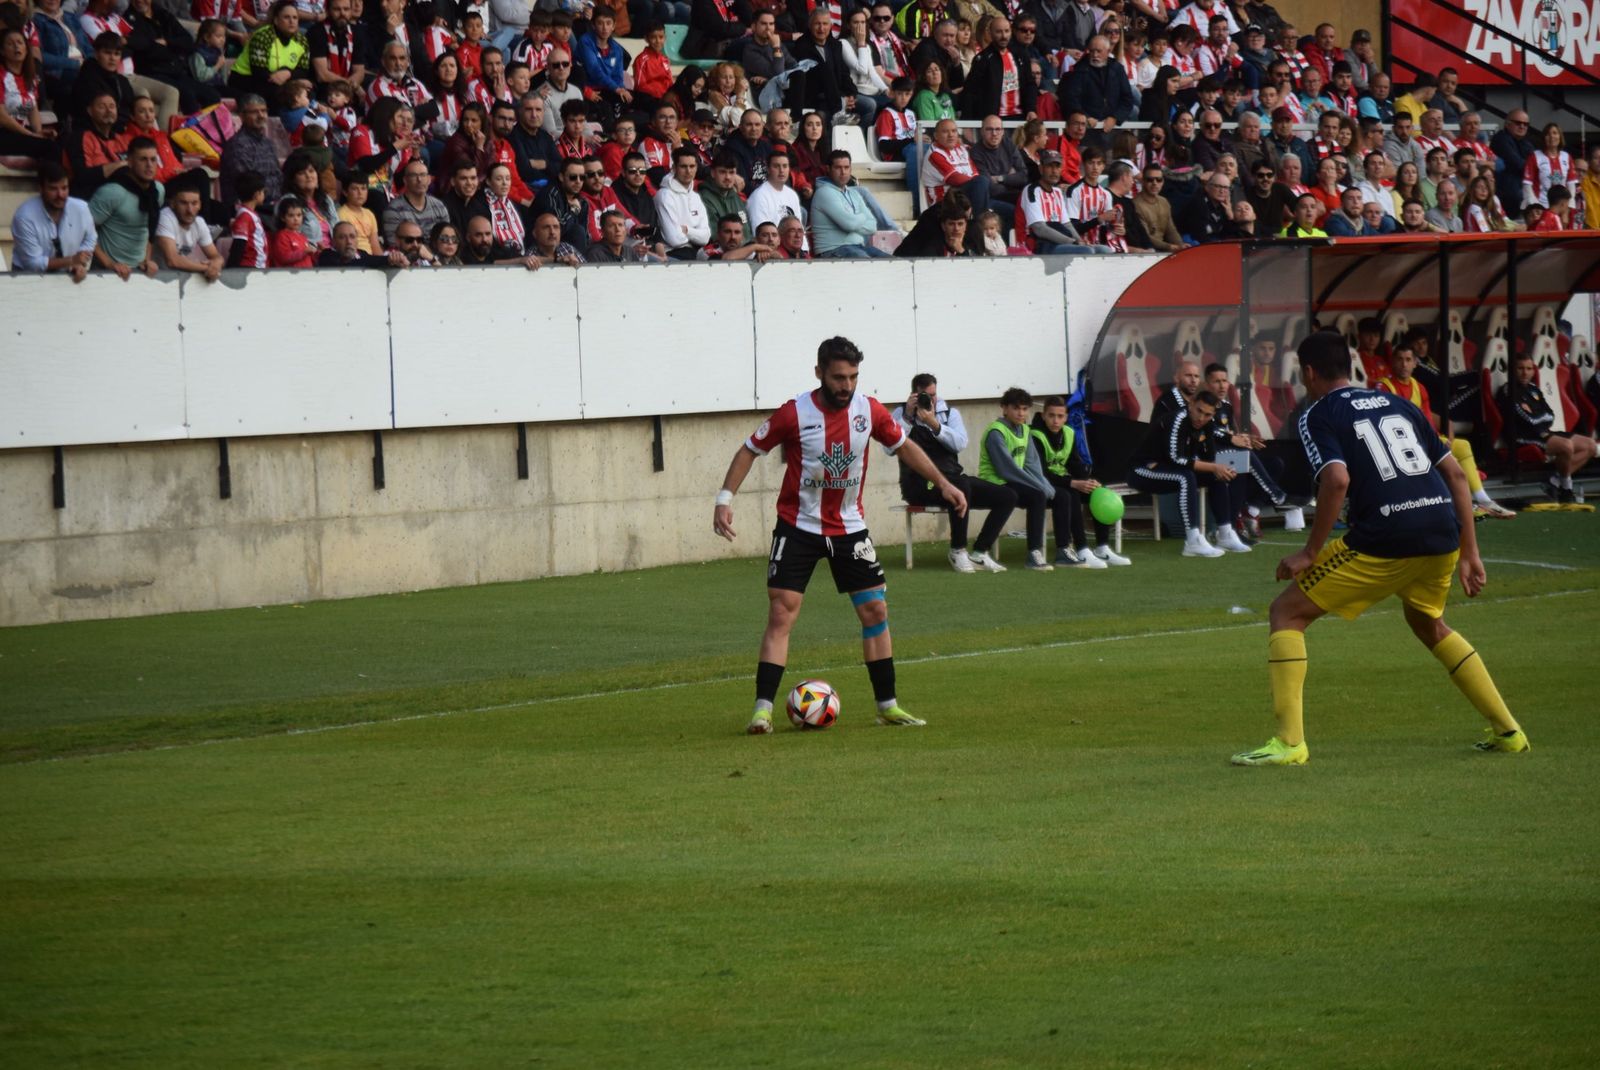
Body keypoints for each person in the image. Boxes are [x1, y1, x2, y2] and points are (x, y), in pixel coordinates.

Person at [1231, 330, 1529, 766]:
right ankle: (1509, 731)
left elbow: (1336, 480)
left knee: (1287, 612)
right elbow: (1458, 477)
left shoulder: (1318, 415)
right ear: (1349, 366)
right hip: (1441, 529)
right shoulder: (1398, 401)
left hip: (1388, 536)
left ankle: (1290, 743)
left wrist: (1310, 553)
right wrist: (1470, 552)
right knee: (1429, 623)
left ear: (1309, 372)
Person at [713, 336, 968, 735]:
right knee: (782, 612)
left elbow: (903, 447)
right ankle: (762, 711)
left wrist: (944, 484)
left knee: (876, 612)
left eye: (852, 376)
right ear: (819, 373)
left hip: (849, 528)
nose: (846, 385)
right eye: (838, 377)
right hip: (798, 527)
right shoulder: (794, 412)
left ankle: (888, 706)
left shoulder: (870, 410)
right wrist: (724, 499)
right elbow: (750, 448)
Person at [890, 372, 1016, 573]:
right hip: (918, 484)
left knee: (1007, 496)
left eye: (933, 395)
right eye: (924, 396)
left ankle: (980, 552)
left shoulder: (949, 414)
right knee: (962, 486)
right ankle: (958, 550)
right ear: (914, 395)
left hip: (953, 478)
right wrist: (906, 416)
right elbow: (889, 448)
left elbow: (960, 444)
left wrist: (935, 424)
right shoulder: (900, 415)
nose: (929, 400)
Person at [1126, 388, 1238, 557]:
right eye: (1199, 410)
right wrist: (1215, 467)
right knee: (1185, 477)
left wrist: (1220, 469)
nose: (1201, 418)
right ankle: (1193, 540)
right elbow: (1176, 459)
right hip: (1141, 470)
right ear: (1191, 404)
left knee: (1216, 476)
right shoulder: (1177, 419)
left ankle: (1225, 533)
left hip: (1167, 469)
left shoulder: (1207, 424)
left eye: (1207, 414)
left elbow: (1209, 457)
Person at [1030, 395, 1132, 567]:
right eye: (1051, 415)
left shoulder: (1069, 433)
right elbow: (1041, 473)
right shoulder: (1035, 435)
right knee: (1072, 494)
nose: (1056, 420)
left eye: (1060, 416)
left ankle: (1102, 547)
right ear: (1043, 415)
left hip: (1063, 480)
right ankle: (1082, 549)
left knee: (1097, 492)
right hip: (1044, 483)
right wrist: (1073, 483)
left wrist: (1089, 481)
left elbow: (1075, 463)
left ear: (1066, 417)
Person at [1498, 353, 1599, 504]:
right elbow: (1528, 420)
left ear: (1533, 370)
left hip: (1543, 433)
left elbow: (1550, 415)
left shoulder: (1533, 389)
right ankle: (1566, 488)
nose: (1525, 372)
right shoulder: (1508, 391)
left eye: (1528, 368)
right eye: (1520, 368)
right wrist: (1539, 416)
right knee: (1566, 446)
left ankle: (1554, 482)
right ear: (1512, 370)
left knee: (1590, 445)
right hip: (1522, 437)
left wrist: (1537, 415)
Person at [975, 388, 1058, 571]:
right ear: (1004, 408)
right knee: (1034, 495)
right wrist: (1039, 487)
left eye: (1025, 409)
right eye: (1016, 408)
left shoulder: (1025, 430)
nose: (1021, 413)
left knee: (1053, 495)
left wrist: (1046, 486)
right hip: (993, 482)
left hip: (1012, 482)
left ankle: (1059, 550)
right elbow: (1007, 469)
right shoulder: (996, 432)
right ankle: (980, 552)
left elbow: (1032, 464)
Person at [89, 135, 163, 279]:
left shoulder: (158, 191)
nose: (149, 165)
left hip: (139, 271)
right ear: (129, 161)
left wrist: (146, 260)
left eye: (153, 159)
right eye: (143, 159)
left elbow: (149, 229)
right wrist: (109, 264)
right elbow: (83, 230)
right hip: (106, 273)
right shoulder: (112, 192)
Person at [9, 161, 96, 281]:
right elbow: (33, 264)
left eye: (64, 188)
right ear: (41, 189)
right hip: (28, 279)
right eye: (53, 189)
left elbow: (90, 238)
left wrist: (79, 262)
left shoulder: (81, 208)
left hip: (68, 275)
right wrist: (72, 260)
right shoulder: (24, 216)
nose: (60, 195)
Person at [811, 151, 890, 258]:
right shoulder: (824, 192)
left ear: (851, 169)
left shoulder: (854, 193)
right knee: (868, 266)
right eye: (838, 168)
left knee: (895, 262)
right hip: (832, 250)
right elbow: (849, 224)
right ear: (828, 169)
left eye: (846, 167)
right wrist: (862, 216)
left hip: (858, 246)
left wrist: (853, 221)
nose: (843, 172)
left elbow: (872, 226)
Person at [154, 186, 222, 279]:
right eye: (183, 203)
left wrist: (216, 264)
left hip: (177, 279)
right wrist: (207, 268)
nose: (190, 210)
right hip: (152, 279)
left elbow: (215, 256)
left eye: (194, 203)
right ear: (172, 204)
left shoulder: (199, 222)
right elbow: (172, 260)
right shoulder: (165, 217)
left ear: (200, 205)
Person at [318, 219, 409, 267]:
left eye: (352, 237)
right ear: (333, 241)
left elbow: (370, 260)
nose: (349, 242)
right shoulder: (326, 256)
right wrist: (387, 260)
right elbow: (348, 265)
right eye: (342, 237)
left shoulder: (362, 254)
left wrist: (396, 260)